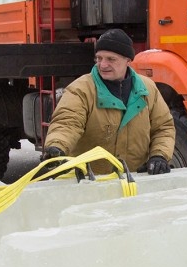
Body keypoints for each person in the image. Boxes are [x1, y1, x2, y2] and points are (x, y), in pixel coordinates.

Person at [41, 28, 176, 174]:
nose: (103, 65)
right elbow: (67, 122)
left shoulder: (147, 89)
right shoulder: (81, 89)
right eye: (99, 58)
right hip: (90, 185)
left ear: (128, 61)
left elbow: (163, 127)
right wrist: (57, 146)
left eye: (111, 59)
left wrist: (159, 155)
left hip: (134, 185)